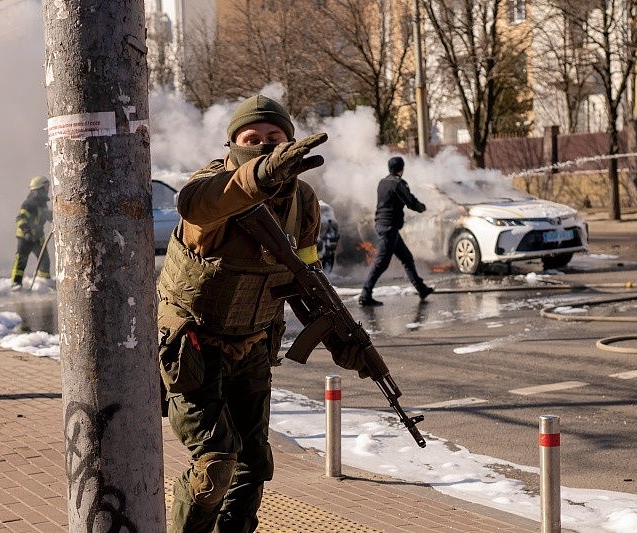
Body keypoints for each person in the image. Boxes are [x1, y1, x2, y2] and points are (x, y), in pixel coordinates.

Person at [156, 94, 365, 532]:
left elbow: (307, 279)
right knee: (216, 467)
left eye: (276, 138)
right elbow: (194, 206)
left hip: (252, 344)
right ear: (232, 145)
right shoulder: (211, 189)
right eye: (253, 139)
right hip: (194, 349)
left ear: (291, 141)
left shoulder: (304, 202)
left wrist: (342, 339)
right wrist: (260, 175)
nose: (266, 146)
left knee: (253, 464)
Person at [358, 156, 434, 306]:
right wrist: (423, 207)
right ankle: (365, 295)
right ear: (401, 169)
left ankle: (422, 289)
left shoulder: (382, 182)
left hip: (383, 225)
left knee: (407, 258)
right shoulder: (399, 183)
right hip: (389, 228)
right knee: (381, 263)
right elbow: (411, 202)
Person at [10, 175, 52, 291]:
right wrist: (27, 232)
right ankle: (16, 283)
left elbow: (45, 215)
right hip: (25, 237)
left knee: (44, 260)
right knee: (21, 260)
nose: (48, 189)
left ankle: (44, 282)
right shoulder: (28, 203)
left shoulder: (42, 203)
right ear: (39, 189)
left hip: (38, 237)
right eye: (46, 187)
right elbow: (20, 219)